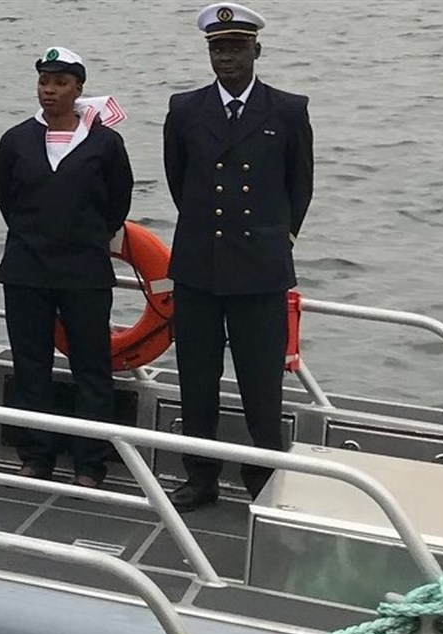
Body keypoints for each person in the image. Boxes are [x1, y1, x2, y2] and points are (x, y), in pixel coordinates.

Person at [162, 2, 313, 511]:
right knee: (196, 379)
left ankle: (263, 477)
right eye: (218, 48)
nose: (226, 57)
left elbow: (300, 184)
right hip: (199, 266)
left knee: (261, 383)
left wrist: (280, 238)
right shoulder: (185, 109)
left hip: (260, 270)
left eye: (235, 47)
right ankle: (199, 475)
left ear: (256, 51)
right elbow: (179, 179)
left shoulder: (287, 110)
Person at [0, 47, 135, 488]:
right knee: (30, 366)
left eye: (59, 83)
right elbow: (5, 196)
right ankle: (37, 454)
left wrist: (83, 237)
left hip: (84, 273)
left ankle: (89, 462)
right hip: (26, 270)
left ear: (78, 88)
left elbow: (118, 202)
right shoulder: (16, 140)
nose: (49, 90)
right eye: (44, 82)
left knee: (91, 367)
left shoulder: (105, 144)